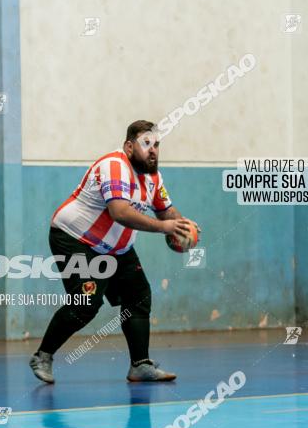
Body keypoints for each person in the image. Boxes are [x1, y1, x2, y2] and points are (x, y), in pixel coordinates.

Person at [29, 120, 199, 384]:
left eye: (156, 145)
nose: (153, 150)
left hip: (117, 249)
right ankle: (43, 355)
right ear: (129, 147)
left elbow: (166, 210)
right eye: (146, 144)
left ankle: (140, 365)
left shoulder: (153, 177)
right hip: (75, 240)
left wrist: (182, 226)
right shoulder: (114, 166)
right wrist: (164, 227)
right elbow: (119, 213)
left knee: (139, 296)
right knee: (86, 302)